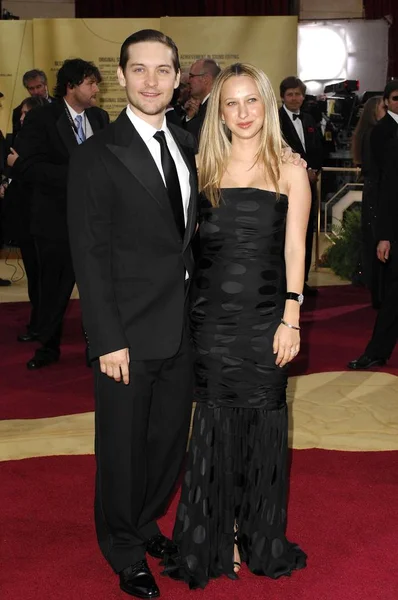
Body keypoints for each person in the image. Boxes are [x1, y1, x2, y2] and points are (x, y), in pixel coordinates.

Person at [163, 62, 310, 589]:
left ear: (266, 105)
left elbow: (296, 249)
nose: (243, 113)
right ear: (217, 111)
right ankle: (214, 534)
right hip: (211, 319)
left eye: (252, 101)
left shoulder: (290, 166)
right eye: (231, 103)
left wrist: (291, 317)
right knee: (215, 425)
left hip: (268, 317)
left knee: (263, 424)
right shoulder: (200, 164)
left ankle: (259, 535)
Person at [67, 30, 198, 599]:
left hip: (183, 329)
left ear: (177, 77)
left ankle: (144, 522)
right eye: (139, 70)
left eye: (162, 70)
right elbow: (89, 252)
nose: (151, 81)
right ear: (121, 76)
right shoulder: (97, 153)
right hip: (126, 334)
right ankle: (122, 546)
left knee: (167, 443)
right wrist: (107, 337)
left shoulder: (191, 143)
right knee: (122, 449)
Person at [9, 58, 109, 367]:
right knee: (54, 290)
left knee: (98, 290)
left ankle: (99, 348)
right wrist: (78, 174)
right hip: (55, 222)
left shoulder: (101, 118)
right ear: (71, 86)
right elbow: (25, 166)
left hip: (96, 223)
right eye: (91, 83)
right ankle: (48, 348)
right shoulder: (42, 118)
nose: (96, 89)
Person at [349, 80, 398, 370]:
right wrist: (383, 235)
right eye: (395, 98)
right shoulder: (381, 133)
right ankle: (377, 350)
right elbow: (384, 188)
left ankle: (378, 350)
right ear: (386, 101)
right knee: (393, 294)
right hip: (393, 224)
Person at [2, 96, 49, 339]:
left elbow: (37, 176)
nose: (21, 119)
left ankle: (42, 324)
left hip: (40, 220)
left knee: (41, 275)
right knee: (34, 273)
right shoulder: (21, 140)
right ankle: (39, 321)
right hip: (26, 220)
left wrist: (17, 165)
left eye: (26, 115)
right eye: (21, 114)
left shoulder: (43, 144)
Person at [279, 76, 323, 296]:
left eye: (298, 94)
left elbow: (319, 147)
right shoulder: (275, 120)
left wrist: (314, 168)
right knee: (288, 233)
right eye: (290, 94)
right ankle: (284, 284)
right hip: (286, 186)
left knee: (307, 232)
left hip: (310, 183)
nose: (295, 98)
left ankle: (301, 282)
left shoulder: (309, 119)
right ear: (282, 97)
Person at [351, 96, 385, 307]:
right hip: (377, 193)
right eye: (384, 106)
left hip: (373, 192)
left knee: (373, 240)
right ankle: (379, 294)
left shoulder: (367, 133)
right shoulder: (374, 134)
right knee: (377, 240)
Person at [185, 58, 221, 142]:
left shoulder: (215, 108)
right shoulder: (205, 107)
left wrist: (192, 120)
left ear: (206, 79)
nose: (188, 81)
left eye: (191, 76)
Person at [12, 69, 55, 139]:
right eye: (31, 88)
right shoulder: (18, 111)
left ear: (45, 84)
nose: (36, 92)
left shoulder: (60, 105)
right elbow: (16, 141)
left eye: (38, 87)